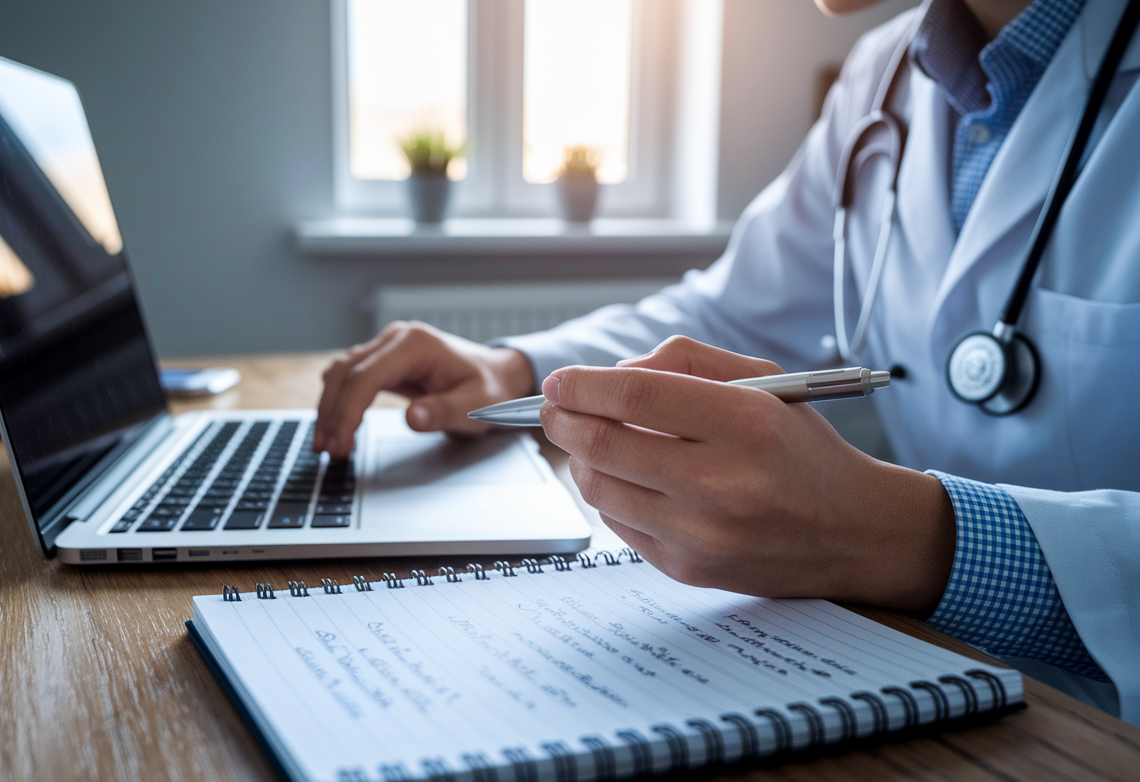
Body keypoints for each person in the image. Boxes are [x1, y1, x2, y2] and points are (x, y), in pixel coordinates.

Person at [315, 0, 1140, 725]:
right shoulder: (883, 76)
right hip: (924, 675)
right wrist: (515, 366)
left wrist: (909, 538)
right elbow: (732, 310)